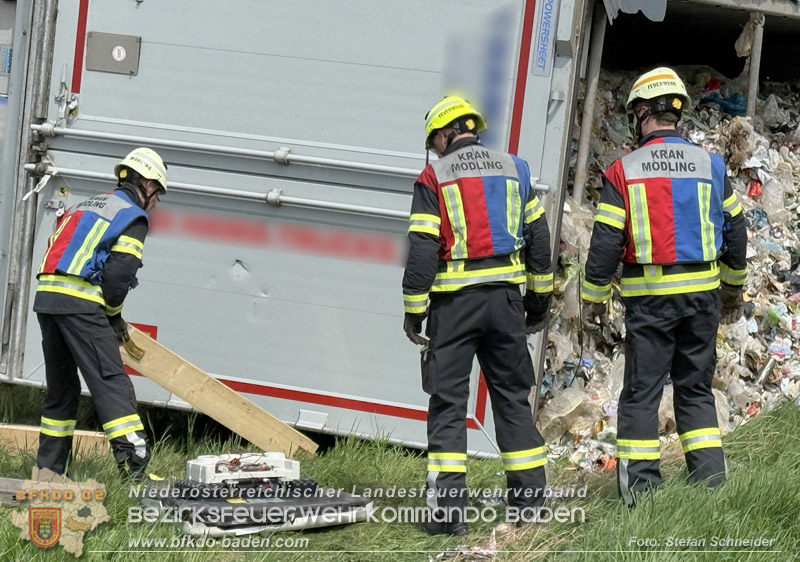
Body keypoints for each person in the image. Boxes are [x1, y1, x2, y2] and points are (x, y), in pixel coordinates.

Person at [581, 68, 748, 504]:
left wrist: (594, 301)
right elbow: (737, 230)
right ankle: (711, 488)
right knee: (695, 390)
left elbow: (604, 244)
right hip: (701, 301)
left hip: (650, 303)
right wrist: (732, 288)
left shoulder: (623, 171)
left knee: (641, 393)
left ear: (641, 113)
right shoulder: (710, 164)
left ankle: (642, 496)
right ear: (677, 112)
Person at [402, 96, 554, 535]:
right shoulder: (516, 168)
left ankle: (449, 518)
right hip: (506, 306)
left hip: (453, 309)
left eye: (435, 142)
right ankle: (530, 509)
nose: (435, 151)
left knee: (448, 404)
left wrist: (414, 312)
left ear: (447, 134)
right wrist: (538, 302)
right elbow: (539, 243)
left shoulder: (434, 178)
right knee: (512, 400)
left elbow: (423, 250)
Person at [34, 147, 168, 478]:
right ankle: (134, 463)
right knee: (110, 380)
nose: (156, 203)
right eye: (158, 195)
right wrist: (113, 314)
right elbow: (118, 276)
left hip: (48, 298)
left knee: (62, 390)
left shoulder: (87, 205)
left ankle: (49, 472)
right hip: (80, 301)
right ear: (148, 184)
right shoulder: (133, 216)